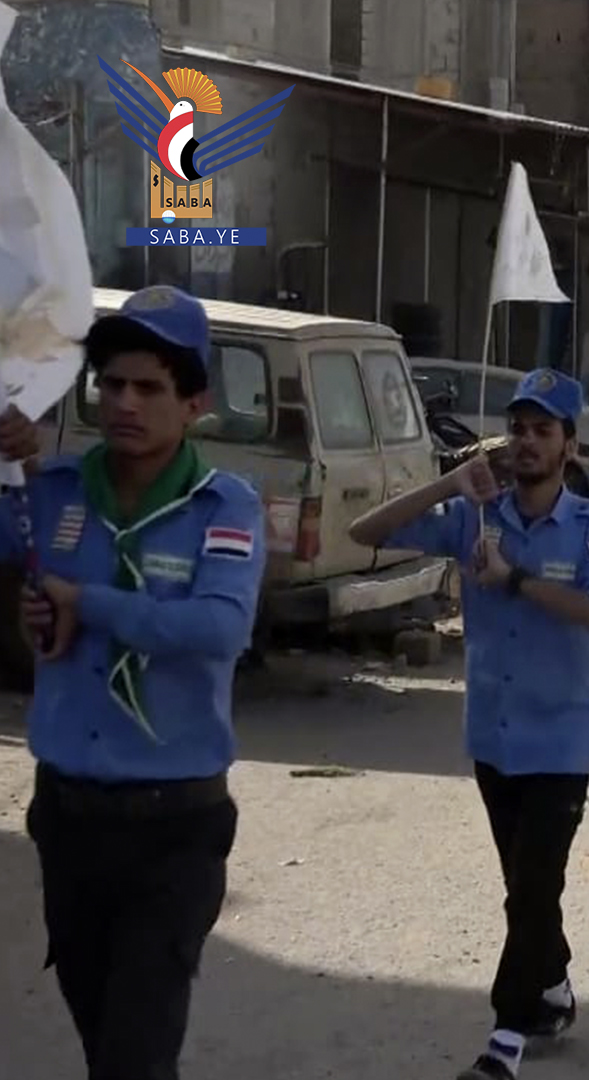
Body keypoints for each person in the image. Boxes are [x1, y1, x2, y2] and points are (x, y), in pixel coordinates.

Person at [0, 286, 265, 1080]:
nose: (123, 402)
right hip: (70, 820)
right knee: (105, 1043)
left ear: (194, 405)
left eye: (148, 387)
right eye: (110, 383)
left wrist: (92, 603)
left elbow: (220, 629)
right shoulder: (50, 497)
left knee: (134, 1059)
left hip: (172, 831)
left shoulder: (225, 509)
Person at [351, 367, 589, 1080]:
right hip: (494, 737)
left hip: (561, 738)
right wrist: (449, 484)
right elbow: (364, 530)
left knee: (533, 886)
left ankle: (506, 1039)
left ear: (569, 444)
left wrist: (514, 580)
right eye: (519, 429)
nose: (527, 442)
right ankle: (554, 981)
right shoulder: (478, 514)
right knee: (526, 887)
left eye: (543, 431)